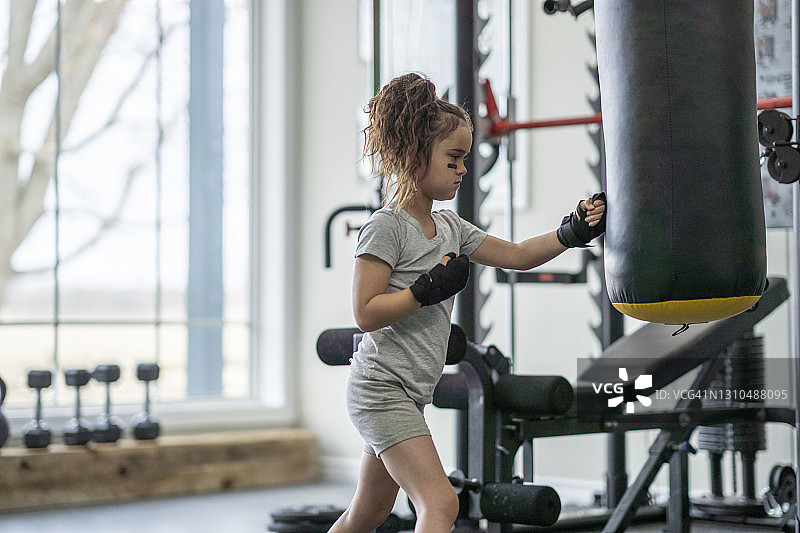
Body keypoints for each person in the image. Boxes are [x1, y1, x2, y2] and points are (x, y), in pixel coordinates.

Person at [329, 72, 605, 533]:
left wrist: (571, 232)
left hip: (409, 393)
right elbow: (366, 312)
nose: (463, 169)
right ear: (416, 153)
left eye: (465, 159)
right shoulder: (386, 227)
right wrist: (425, 290)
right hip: (381, 389)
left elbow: (516, 255)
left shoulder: (452, 228)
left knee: (368, 514)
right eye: (453, 158)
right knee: (439, 505)